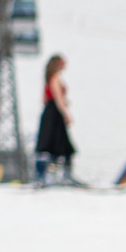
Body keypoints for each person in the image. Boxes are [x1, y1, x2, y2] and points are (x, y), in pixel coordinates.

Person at [34, 55, 76, 186]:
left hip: (49, 113)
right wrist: (66, 114)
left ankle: (44, 176)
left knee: (49, 145)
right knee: (58, 145)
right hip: (54, 114)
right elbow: (58, 99)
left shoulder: (49, 79)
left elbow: (44, 99)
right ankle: (61, 176)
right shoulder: (55, 78)